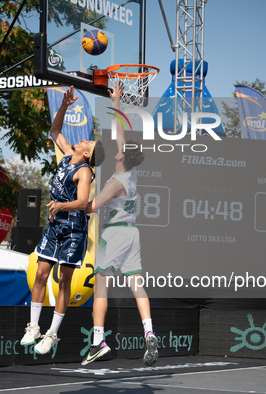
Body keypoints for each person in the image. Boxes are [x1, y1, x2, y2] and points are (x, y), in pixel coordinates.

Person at [20, 86, 106, 355]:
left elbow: (82, 203)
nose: (85, 140)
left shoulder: (84, 172)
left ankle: (52, 333)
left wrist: (60, 204)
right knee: (41, 274)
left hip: (73, 231)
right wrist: (65, 105)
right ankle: (33, 327)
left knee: (65, 281)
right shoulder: (68, 155)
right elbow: (55, 131)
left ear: (89, 154)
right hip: (56, 226)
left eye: (89, 143)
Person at [81, 83, 158, 367]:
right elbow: (120, 134)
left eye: (121, 150)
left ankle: (97, 341)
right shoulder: (131, 173)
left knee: (101, 285)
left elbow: (91, 207)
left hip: (113, 235)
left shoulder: (114, 183)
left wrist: (70, 203)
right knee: (137, 285)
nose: (118, 149)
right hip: (133, 235)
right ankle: (149, 332)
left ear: (123, 156)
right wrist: (116, 102)